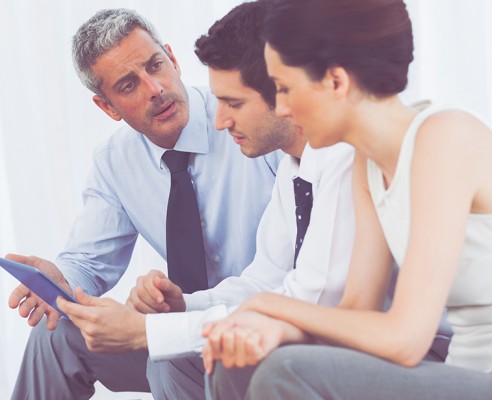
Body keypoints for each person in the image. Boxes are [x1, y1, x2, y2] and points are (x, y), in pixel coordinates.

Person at [203, 0, 492, 399]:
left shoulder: (446, 138)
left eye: (285, 89)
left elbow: (405, 340)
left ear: (336, 82)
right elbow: (357, 313)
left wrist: (265, 306)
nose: (283, 108)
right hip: (468, 375)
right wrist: (266, 329)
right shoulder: (368, 163)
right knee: (239, 361)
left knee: (285, 371)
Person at [58, 1, 358, 397]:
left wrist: (153, 331)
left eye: (232, 104)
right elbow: (261, 283)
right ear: (107, 106)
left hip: (338, 349)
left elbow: (309, 303)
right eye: (129, 84)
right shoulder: (292, 167)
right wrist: (181, 307)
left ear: (281, 91)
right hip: (265, 330)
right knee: (75, 339)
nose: (218, 121)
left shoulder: (338, 155)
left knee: (182, 360)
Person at [5, 8, 284, 400]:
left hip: (258, 326)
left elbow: (291, 273)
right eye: (127, 85)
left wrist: (172, 323)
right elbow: (87, 261)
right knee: (57, 336)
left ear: (173, 59)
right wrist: (61, 280)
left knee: (168, 352)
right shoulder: (115, 161)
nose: (154, 88)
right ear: (108, 108)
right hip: (185, 320)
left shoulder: (250, 124)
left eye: (156, 65)